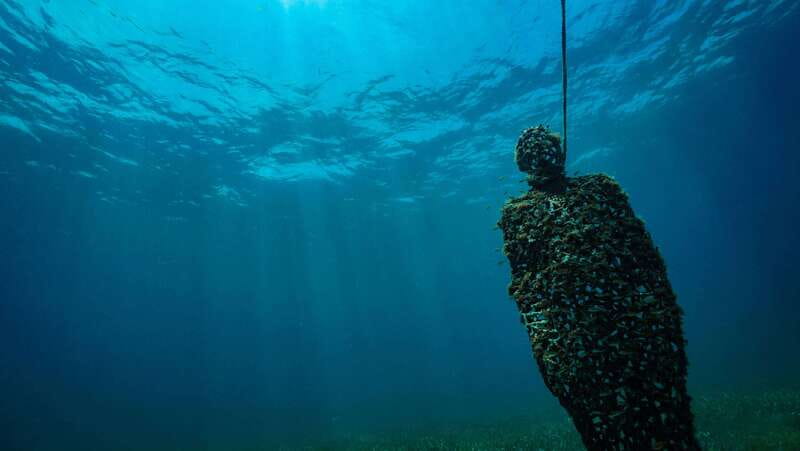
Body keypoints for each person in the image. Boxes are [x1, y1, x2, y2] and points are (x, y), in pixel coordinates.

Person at [498, 125, 700, 450]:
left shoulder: (519, 214)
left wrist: (550, 352)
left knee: (618, 424)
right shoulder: (598, 190)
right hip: (623, 330)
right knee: (655, 419)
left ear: (521, 164)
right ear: (559, 152)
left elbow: (530, 295)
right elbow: (645, 263)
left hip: (595, 339)